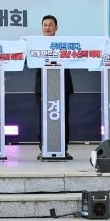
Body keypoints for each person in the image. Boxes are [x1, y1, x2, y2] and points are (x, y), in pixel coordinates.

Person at [34, 15, 73, 160]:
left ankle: (63, 149)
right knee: (43, 119)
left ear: (56, 28)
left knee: (63, 118)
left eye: (51, 25)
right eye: (45, 25)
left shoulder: (65, 45)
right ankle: (43, 149)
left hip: (62, 85)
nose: (47, 27)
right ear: (42, 27)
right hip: (43, 86)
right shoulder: (35, 45)